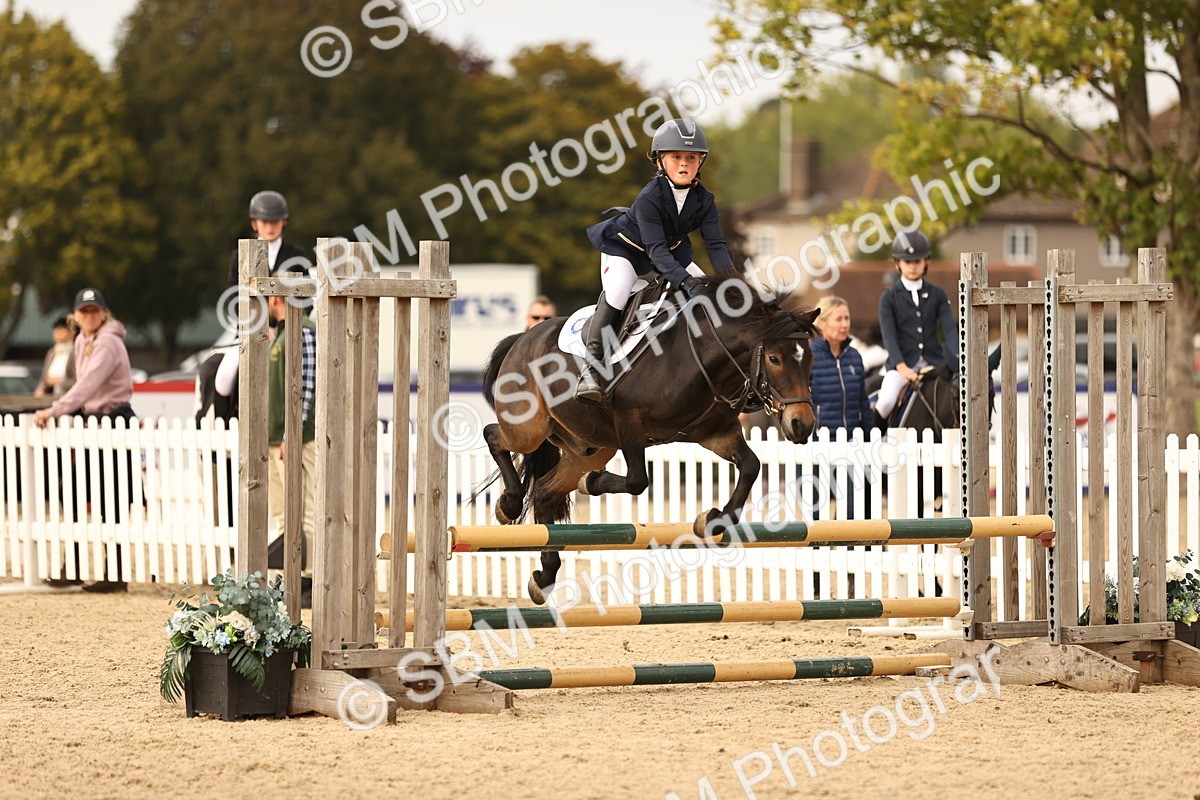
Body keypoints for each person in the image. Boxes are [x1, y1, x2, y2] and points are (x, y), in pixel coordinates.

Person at [576, 118, 735, 404]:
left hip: (669, 252)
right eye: (676, 157)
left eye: (691, 157)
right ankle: (590, 369)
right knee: (618, 293)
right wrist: (687, 282)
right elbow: (655, 250)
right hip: (626, 251)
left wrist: (732, 283)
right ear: (660, 162)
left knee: (712, 299)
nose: (684, 164)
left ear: (701, 162)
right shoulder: (650, 196)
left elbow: (716, 245)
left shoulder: (705, 199)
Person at [33, 288, 135, 592]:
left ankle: (115, 574)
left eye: (94, 311)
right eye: (84, 311)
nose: (89, 316)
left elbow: (89, 384)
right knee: (76, 493)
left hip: (114, 420)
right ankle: (74, 566)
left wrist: (54, 409)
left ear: (103, 313)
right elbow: (82, 385)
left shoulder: (109, 342)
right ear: (76, 316)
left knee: (111, 499)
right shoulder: (82, 340)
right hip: (92, 422)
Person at [875, 230, 959, 421]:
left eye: (917, 261)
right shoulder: (889, 298)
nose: (912, 266)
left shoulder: (937, 294)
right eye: (907, 262)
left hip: (935, 363)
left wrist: (955, 358)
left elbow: (949, 330)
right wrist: (901, 367)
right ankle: (874, 440)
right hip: (902, 366)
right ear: (898, 263)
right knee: (886, 401)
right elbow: (889, 336)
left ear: (926, 261)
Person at [263, 293, 317, 594]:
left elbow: (304, 387)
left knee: (305, 508)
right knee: (283, 511)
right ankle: (291, 571)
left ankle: (308, 577)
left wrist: (291, 435)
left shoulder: (303, 331)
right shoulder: (280, 333)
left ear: (276, 298)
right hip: (275, 438)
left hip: (296, 439)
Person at [810, 296, 873, 434]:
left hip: (854, 441)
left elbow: (863, 403)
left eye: (847, 318)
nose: (845, 324)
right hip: (821, 441)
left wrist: (870, 437)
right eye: (838, 319)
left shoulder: (854, 356)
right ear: (821, 323)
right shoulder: (809, 357)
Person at [226, 190, 310, 288]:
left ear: (284, 222)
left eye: (275, 221)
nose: (270, 228)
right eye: (264, 222)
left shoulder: (296, 253)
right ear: (254, 224)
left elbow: (306, 295)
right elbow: (231, 292)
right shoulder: (241, 254)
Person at [33, 317, 76, 397]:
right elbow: (44, 378)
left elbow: (78, 381)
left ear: (72, 332)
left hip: (70, 398)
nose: (58, 333)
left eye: (62, 329)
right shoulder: (51, 353)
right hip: (51, 397)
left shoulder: (76, 352)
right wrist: (40, 389)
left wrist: (60, 382)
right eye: (56, 330)